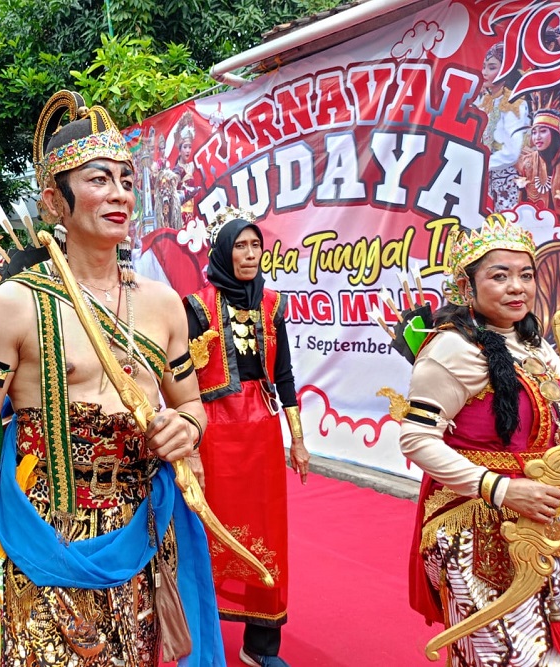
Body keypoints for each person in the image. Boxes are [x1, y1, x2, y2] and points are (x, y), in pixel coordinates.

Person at [0, 90, 222, 667]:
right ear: (54, 200)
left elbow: (193, 404)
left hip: (145, 533)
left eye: (125, 179)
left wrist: (185, 429)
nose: (119, 193)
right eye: (98, 179)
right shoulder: (13, 306)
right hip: (48, 537)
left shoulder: (165, 304)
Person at [399, 213, 560, 665]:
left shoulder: (535, 343)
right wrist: (503, 488)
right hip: (480, 524)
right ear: (467, 287)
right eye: (499, 276)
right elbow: (417, 439)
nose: (517, 287)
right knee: (505, 655)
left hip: (551, 515)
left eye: (525, 274)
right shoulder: (451, 350)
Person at [184, 208, 308, 667]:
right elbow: (181, 380)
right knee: (207, 527)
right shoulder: (196, 306)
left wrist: (297, 439)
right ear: (223, 251)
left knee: (268, 530)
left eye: (256, 245)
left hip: (261, 430)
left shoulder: (273, 305)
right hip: (214, 431)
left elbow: (286, 375)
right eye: (241, 246)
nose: (251, 254)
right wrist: (190, 442)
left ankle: (260, 646)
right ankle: (203, 641)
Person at [475, 44, 529, 212]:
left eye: (491, 67)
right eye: (484, 67)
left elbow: (513, 153)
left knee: (504, 232)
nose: (484, 72)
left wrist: (481, 164)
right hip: (484, 179)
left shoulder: (515, 104)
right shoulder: (485, 102)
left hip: (507, 181)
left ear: (506, 70)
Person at [516, 109, 560, 224]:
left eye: (543, 131)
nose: (537, 137)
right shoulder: (528, 162)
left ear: (555, 133)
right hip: (537, 228)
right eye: (534, 132)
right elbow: (522, 203)